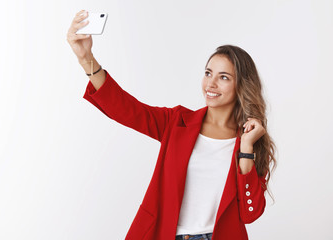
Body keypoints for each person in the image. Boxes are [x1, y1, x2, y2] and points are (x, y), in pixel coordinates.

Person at [67, 9, 277, 240]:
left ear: (242, 85)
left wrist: (246, 149)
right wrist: (86, 59)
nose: (211, 83)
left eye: (224, 77)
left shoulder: (251, 142)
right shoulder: (177, 122)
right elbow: (126, 109)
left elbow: (250, 213)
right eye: (208, 73)